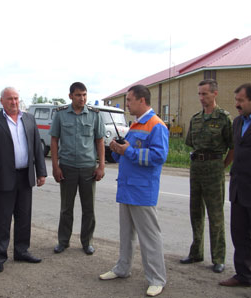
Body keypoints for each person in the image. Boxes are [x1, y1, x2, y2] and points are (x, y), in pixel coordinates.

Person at [99, 85, 168, 297]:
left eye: (129, 100)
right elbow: (128, 154)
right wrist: (117, 149)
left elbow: (158, 157)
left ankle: (157, 278)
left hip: (142, 190)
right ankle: (122, 268)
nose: (127, 104)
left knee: (149, 237)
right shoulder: (136, 125)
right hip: (127, 187)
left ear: (141, 100)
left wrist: (127, 150)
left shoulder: (156, 125)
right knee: (126, 233)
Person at [0, 87, 47, 273]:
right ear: (2, 101)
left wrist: (41, 172)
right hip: (3, 176)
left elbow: (37, 149)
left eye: (16, 98)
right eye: (9, 99)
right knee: (2, 219)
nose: (14, 102)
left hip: (25, 175)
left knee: (24, 216)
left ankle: (21, 250)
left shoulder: (29, 119)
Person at [180, 79, 234, 273]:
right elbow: (191, 143)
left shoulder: (224, 118)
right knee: (195, 211)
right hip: (196, 167)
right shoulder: (195, 118)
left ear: (215, 94)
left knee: (216, 214)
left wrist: (222, 166)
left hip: (214, 167)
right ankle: (196, 252)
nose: (202, 98)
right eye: (200, 94)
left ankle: (218, 258)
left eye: (205, 94)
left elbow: (233, 146)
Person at [219, 83, 251, 298]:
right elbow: (236, 150)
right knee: (240, 235)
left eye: (240, 101)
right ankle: (243, 275)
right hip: (239, 188)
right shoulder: (237, 122)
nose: (236, 105)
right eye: (236, 100)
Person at [50, 82, 105, 255]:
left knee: (89, 208)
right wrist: (55, 166)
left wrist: (101, 166)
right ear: (70, 96)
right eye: (78, 95)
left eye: (84, 95)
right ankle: (63, 241)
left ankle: (87, 242)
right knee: (66, 208)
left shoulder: (95, 115)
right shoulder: (60, 115)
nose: (82, 98)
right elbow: (54, 140)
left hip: (88, 168)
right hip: (67, 168)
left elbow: (100, 141)